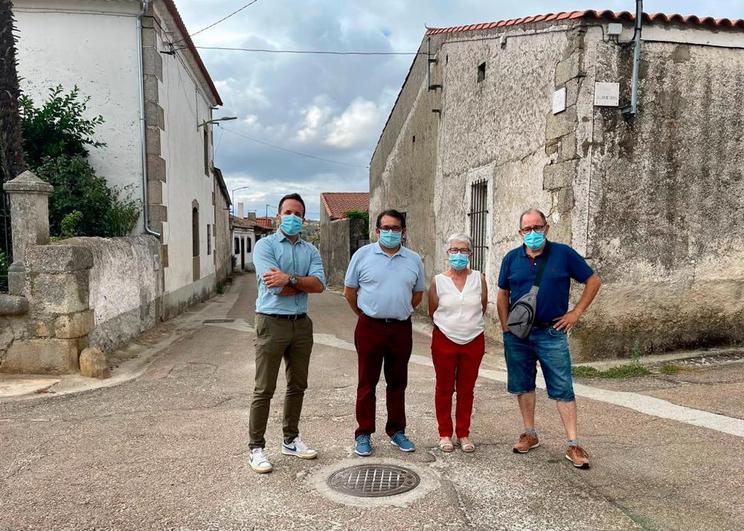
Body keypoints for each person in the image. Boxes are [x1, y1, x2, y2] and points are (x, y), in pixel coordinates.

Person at [497, 208, 601, 469]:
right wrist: (505, 327)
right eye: (527, 229)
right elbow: (502, 293)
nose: (533, 233)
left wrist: (576, 313)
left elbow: (593, 280)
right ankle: (529, 433)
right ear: (520, 232)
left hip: (551, 331)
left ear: (546, 227)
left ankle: (573, 444)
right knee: (523, 384)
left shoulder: (563, 254)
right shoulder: (511, 258)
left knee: (562, 387)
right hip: (518, 334)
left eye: (537, 227)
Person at [248, 193, 326, 474]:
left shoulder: (311, 251)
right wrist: (298, 283)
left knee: (297, 386)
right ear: (279, 216)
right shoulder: (264, 246)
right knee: (264, 388)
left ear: (304, 219)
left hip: (301, 323)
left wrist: (290, 279)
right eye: (288, 212)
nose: (293, 217)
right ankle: (256, 448)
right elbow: (273, 287)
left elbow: (319, 285)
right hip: (271, 322)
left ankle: (290, 440)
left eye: (298, 213)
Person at [343, 209, 425, 456]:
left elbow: (418, 294)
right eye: (386, 228)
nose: (391, 233)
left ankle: (397, 431)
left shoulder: (413, 260)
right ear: (377, 231)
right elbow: (350, 292)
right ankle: (364, 433)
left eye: (396, 228)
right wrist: (366, 314)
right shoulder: (362, 255)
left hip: (400, 328)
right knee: (367, 382)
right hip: (370, 326)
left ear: (404, 231)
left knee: (398, 382)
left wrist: (400, 310)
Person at [428, 233, 487, 453]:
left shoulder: (479, 279)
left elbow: (482, 306)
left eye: (463, 250)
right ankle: (445, 433)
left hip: (473, 340)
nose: (459, 255)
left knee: (466, 389)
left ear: (471, 254)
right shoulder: (438, 281)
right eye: (454, 250)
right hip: (444, 339)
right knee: (444, 388)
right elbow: (432, 310)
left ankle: (463, 433)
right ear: (448, 253)